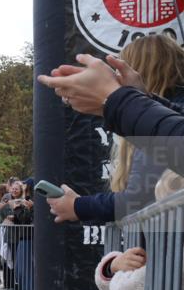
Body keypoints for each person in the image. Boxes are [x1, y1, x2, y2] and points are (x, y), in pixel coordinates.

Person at [46, 36, 184, 224]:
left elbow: (138, 198)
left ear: (137, 70)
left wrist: (78, 206)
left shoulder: (155, 126)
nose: (116, 79)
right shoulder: (164, 115)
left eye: (119, 72)